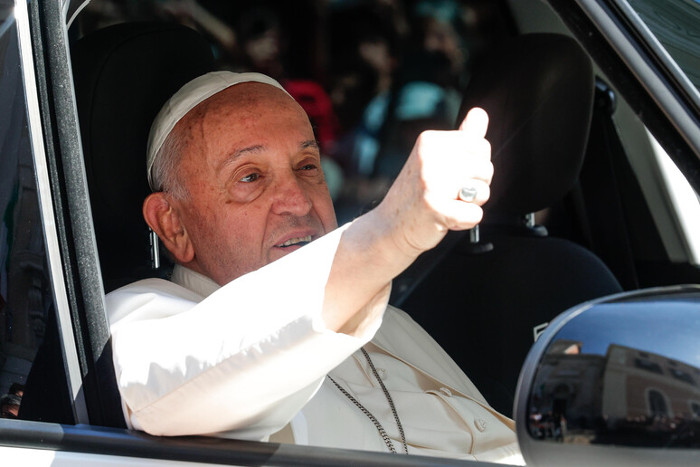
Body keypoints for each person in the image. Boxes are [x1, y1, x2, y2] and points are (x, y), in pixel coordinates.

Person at [106, 71, 522, 463]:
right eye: (250, 177)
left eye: (307, 166)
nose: (300, 202)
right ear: (173, 225)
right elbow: (167, 390)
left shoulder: (388, 319)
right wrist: (388, 234)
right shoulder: (139, 322)